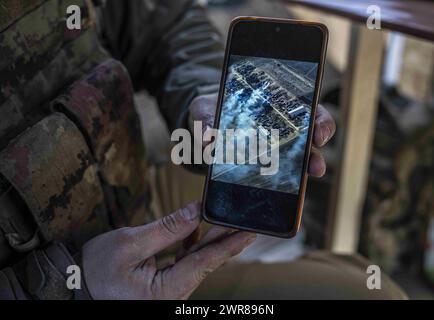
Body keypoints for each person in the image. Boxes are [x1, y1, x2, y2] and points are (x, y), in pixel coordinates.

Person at [0, 0, 404, 300]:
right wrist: (71, 284)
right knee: (370, 292)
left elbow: (165, 22)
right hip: (82, 280)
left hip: (132, 194)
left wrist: (207, 95)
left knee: (277, 177)